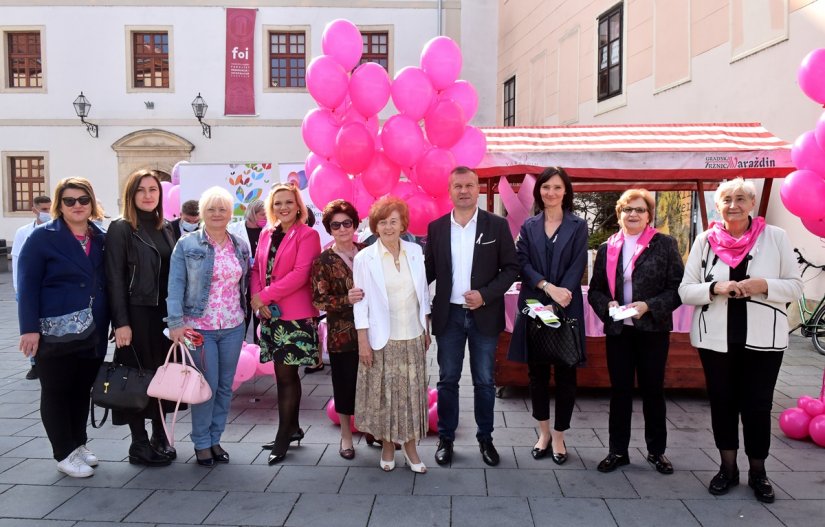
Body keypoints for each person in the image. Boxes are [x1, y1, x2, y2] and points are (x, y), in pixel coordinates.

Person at [679, 177, 802, 503]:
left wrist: (763, 284)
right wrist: (714, 289)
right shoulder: (705, 241)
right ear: (717, 206)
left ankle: (758, 472)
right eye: (726, 200)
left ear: (751, 203)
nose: (733, 205)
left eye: (740, 199)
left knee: (758, 406)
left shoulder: (775, 238)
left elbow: (795, 286)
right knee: (723, 402)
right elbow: (685, 290)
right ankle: (727, 468)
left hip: (763, 339)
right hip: (716, 339)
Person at [424, 166, 519, 467]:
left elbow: (511, 268)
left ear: (478, 188)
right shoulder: (437, 228)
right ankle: (446, 438)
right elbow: (425, 272)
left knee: (484, 381)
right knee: (447, 380)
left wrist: (486, 294)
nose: (463, 191)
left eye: (469, 185)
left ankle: (485, 439)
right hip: (448, 316)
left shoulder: (496, 226)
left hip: (484, 314)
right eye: (457, 186)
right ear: (449, 190)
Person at [588, 189, 684, 475]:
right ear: (619, 214)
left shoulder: (664, 244)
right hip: (620, 331)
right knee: (620, 392)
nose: (633, 214)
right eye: (628, 209)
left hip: (652, 329)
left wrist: (649, 306)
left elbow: (678, 289)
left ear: (648, 215)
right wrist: (609, 305)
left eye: (639, 210)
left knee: (653, 391)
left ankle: (657, 452)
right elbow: (595, 290)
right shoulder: (608, 247)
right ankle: (618, 451)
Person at [17, 177, 109, 478]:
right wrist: (28, 328)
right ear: (60, 204)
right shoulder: (43, 237)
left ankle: (78, 443)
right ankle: (63, 452)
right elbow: (27, 286)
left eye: (83, 199)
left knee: (82, 389)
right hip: (54, 329)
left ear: (91, 202)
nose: (77, 205)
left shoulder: (101, 236)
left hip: (93, 326)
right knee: (56, 390)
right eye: (69, 200)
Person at [507, 167, 587, 465]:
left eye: (556, 187)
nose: (550, 192)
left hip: (566, 305)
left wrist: (561, 296)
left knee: (566, 374)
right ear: (539, 191)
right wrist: (546, 288)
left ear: (565, 191)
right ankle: (542, 433)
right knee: (537, 375)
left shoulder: (578, 226)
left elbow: (578, 263)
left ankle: (560, 435)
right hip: (537, 304)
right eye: (545, 187)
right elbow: (522, 263)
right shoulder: (529, 226)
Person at [167, 186, 250, 467]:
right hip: (197, 328)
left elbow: (245, 284)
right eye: (211, 209)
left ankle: (215, 439)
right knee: (205, 386)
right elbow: (175, 285)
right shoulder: (187, 245)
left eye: (222, 209)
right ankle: (201, 442)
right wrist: (175, 323)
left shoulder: (239, 245)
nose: (217, 214)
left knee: (225, 387)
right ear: (202, 213)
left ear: (230, 213)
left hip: (233, 325)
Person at [353, 196, 431, 473]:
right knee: (384, 395)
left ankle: (410, 447)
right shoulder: (365, 258)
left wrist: (426, 326)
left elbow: (422, 292)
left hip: (412, 334)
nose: (388, 227)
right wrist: (363, 340)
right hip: (381, 338)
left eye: (393, 221)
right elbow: (360, 302)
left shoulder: (415, 251)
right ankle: (387, 445)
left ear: (403, 225)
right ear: (375, 226)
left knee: (411, 395)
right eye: (383, 222)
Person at [105, 169, 177, 467]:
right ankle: (139, 443)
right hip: (136, 314)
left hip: (163, 315)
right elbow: (114, 278)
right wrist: (121, 322)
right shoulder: (122, 228)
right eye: (141, 190)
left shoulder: (167, 227)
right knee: (136, 378)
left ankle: (160, 435)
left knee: (162, 377)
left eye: (153, 190)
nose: (148, 195)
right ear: (131, 195)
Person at [250, 182, 321, 465]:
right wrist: (259, 300)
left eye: (288, 202)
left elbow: (300, 274)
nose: (283, 207)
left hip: (295, 315)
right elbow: (257, 268)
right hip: (271, 314)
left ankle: (284, 434)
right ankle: (292, 428)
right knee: (283, 375)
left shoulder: (308, 235)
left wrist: (263, 297)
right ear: (271, 207)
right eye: (278, 203)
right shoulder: (267, 233)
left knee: (287, 375)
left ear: (298, 205)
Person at [310, 200, 365, 459]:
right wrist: (346, 299)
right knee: (344, 386)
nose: (342, 229)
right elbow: (318, 300)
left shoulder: (367, 252)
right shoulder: (324, 260)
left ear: (355, 224)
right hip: (342, 334)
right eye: (336, 225)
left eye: (347, 223)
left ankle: (372, 430)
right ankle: (346, 437)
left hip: (372, 332)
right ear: (329, 229)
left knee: (371, 383)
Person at [12, 195, 52, 381]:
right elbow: (18, 262)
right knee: (31, 327)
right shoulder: (24, 232)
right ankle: (34, 364)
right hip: (28, 287)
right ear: (34, 210)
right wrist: (18, 288)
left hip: (47, 289)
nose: (47, 213)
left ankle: (42, 361)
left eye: (49, 208)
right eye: (43, 209)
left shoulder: (55, 230)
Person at [228, 199, 267, 342]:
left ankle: (259, 353)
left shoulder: (269, 231)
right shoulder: (233, 229)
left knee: (261, 319)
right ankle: (241, 352)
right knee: (243, 317)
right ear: (252, 214)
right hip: (241, 281)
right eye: (263, 215)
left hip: (261, 282)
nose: (266, 218)